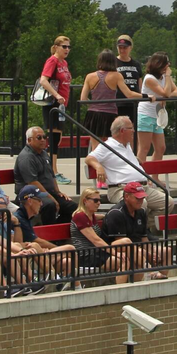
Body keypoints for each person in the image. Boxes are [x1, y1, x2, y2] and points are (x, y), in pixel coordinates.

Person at [86, 116, 170, 235]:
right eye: (131, 128)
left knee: (167, 201)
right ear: (122, 131)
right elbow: (89, 158)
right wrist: (99, 167)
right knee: (142, 203)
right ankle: (138, 232)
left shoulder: (127, 145)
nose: (134, 131)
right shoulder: (107, 146)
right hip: (121, 188)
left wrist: (135, 161)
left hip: (141, 187)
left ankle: (142, 229)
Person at [79, 49, 143, 151]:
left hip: (93, 114)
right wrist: (145, 96)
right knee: (111, 145)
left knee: (95, 147)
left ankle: (95, 166)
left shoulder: (89, 76)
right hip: (109, 113)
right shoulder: (116, 76)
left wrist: (93, 106)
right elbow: (129, 94)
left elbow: (83, 99)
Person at [102, 181, 168, 280]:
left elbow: (144, 238)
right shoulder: (116, 213)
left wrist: (150, 252)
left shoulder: (141, 212)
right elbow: (122, 242)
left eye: (142, 198)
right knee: (131, 246)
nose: (140, 201)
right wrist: (147, 254)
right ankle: (151, 272)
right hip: (114, 249)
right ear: (126, 197)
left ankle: (162, 282)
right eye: (137, 198)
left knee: (166, 251)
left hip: (136, 247)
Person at [14, 127, 77, 225]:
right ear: (29, 140)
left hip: (48, 193)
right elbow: (32, 182)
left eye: (44, 137)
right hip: (31, 195)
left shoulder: (44, 154)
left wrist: (58, 192)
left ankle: (58, 231)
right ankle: (50, 236)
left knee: (72, 206)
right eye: (39, 137)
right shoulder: (26, 157)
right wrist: (51, 197)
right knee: (50, 205)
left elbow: (52, 175)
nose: (43, 140)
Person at [70, 187, 133, 282]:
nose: (99, 203)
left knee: (127, 252)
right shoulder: (80, 216)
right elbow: (96, 240)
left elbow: (102, 217)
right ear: (85, 201)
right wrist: (115, 252)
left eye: (99, 200)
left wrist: (108, 216)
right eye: (95, 200)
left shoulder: (91, 215)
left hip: (97, 253)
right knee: (122, 261)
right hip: (86, 256)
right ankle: (120, 290)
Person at [135, 52, 177, 183]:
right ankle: (139, 177)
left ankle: (154, 177)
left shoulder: (165, 78)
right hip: (146, 115)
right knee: (144, 148)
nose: (169, 65)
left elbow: (176, 92)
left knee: (160, 148)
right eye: (167, 63)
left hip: (158, 115)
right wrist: (168, 78)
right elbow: (166, 92)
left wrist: (167, 83)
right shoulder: (149, 78)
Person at [38, 35, 74, 185]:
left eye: (68, 47)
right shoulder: (52, 61)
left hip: (61, 105)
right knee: (53, 137)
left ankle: (50, 169)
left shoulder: (63, 62)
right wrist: (57, 94)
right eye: (64, 46)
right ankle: (53, 170)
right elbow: (43, 80)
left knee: (57, 138)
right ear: (57, 47)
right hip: (52, 103)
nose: (66, 49)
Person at [113, 34, 142, 127]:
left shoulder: (136, 64)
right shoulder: (113, 63)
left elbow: (139, 82)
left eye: (125, 48)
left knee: (133, 130)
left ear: (130, 48)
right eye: (120, 47)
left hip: (134, 102)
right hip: (119, 102)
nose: (122, 50)